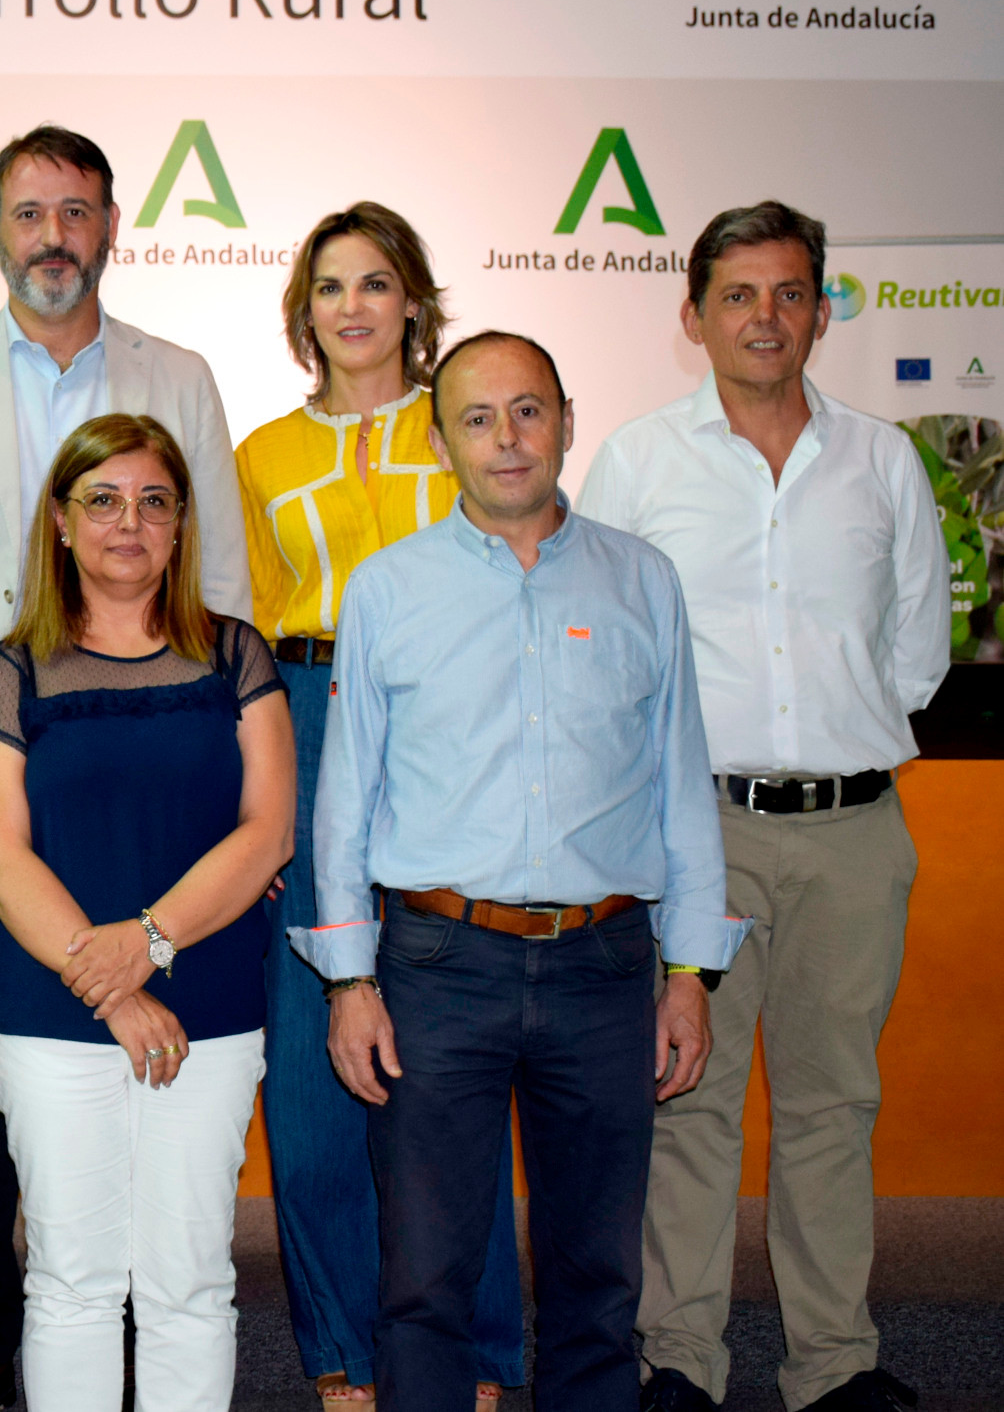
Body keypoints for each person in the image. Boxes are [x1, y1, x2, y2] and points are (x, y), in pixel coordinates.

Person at [0, 125, 250, 1412]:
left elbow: (224, 589)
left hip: (161, 793)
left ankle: (141, 1340)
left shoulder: (178, 374)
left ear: (109, 227)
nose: (52, 234)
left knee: (158, 1120)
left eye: (75, 210)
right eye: (28, 211)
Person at [301, 331, 748, 1412]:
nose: (507, 439)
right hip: (434, 967)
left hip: (603, 964)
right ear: (440, 436)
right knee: (425, 1277)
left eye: (528, 411)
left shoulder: (642, 580)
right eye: (477, 417)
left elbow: (679, 784)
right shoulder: (387, 589)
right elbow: (345, 798)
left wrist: (689, 969)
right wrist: (349, 982)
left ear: (566, 417)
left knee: (598, 1277)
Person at [578, 203, 949, 1412]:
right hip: (698, 828)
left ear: (823, 311)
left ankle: (832, 1367)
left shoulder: (882, 458)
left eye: (790, 293)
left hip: (852, 833)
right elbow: (605, 644)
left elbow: (915, 647)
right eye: (738, 295)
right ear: (692, 317)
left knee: (834, 1105)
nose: (765, 318)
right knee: (687, 1103)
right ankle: (677, 1360)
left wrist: (832, 736)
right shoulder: (639, 459)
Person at [232, 204, 526, 1412]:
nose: (351, 305)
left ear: (414, 300)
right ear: (303, 311)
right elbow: (241, 628)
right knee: (307, 1092)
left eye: (376, 281)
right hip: (303, 714)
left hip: (449, 724)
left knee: (448, 1080)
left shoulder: (470, 425)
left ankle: (477, 1353)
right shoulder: (259, 454)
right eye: (329, 286)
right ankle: (344, 1355)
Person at [0, 413, 292, 1412]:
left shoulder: (236, 656)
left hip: (210, 1009)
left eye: (153, 501)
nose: (127, 521)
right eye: (101, 499)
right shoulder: (15, 665)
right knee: (70, 1278)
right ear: (60, 521)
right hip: (52, 1013)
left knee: (189, 1277)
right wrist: (113, 989)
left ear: (181, 522)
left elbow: (266, 832)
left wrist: (147, 943)